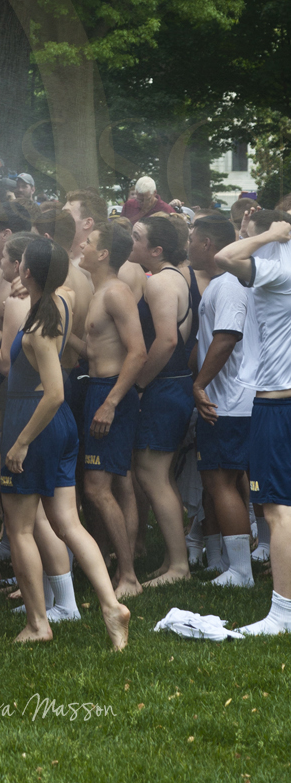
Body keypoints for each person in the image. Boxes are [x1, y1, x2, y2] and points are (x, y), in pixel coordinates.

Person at [0, 238, 130, 650]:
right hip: (62, 427)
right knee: (68, 523)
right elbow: (67, 278)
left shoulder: (38, 330)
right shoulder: (66, 299)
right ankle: (111, 604)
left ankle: (38, 623)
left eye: (21, 263)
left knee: (19, 529)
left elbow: (54, 392)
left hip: (33, 419)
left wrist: (20, 443)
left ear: (27, 273)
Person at [213, 216, 291, 634]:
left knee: (278, 510)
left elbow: (224, 256)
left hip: (277, 403)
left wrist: (272, 234)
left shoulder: (281, 267)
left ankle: (283, 614)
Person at [129, 213, 198, 586]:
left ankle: (178, 567)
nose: (130, 240)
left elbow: (168, 341)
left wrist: (138, 383)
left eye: (136, 236)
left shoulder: (159, 284)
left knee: (152, 474)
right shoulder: (177, 276)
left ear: (156, 250)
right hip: (173, 384)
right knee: (160, 475)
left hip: (164, 386)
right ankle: (175, 560)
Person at [78, 222, 147, 598]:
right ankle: (120, 567)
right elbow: (93, 344)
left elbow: (138, 352)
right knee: (118, 483)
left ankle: (128, 576)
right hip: (98, 389)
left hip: (110, 393)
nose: (83, 246)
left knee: (98, 486)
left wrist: (111, 402)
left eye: (88, 241)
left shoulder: (116, 293)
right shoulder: (97, 290)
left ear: (103, 253)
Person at [191, 214, 257, 588]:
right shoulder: (224, 283)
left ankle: (241, 572)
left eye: (192, 240)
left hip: (228, 401)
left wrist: (200, 384)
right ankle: (229, 564)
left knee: (221, 483)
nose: (187, 246)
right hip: (230, 400)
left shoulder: (229, 284)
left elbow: (227, 336)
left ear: (207, 244)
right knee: (220, 479)